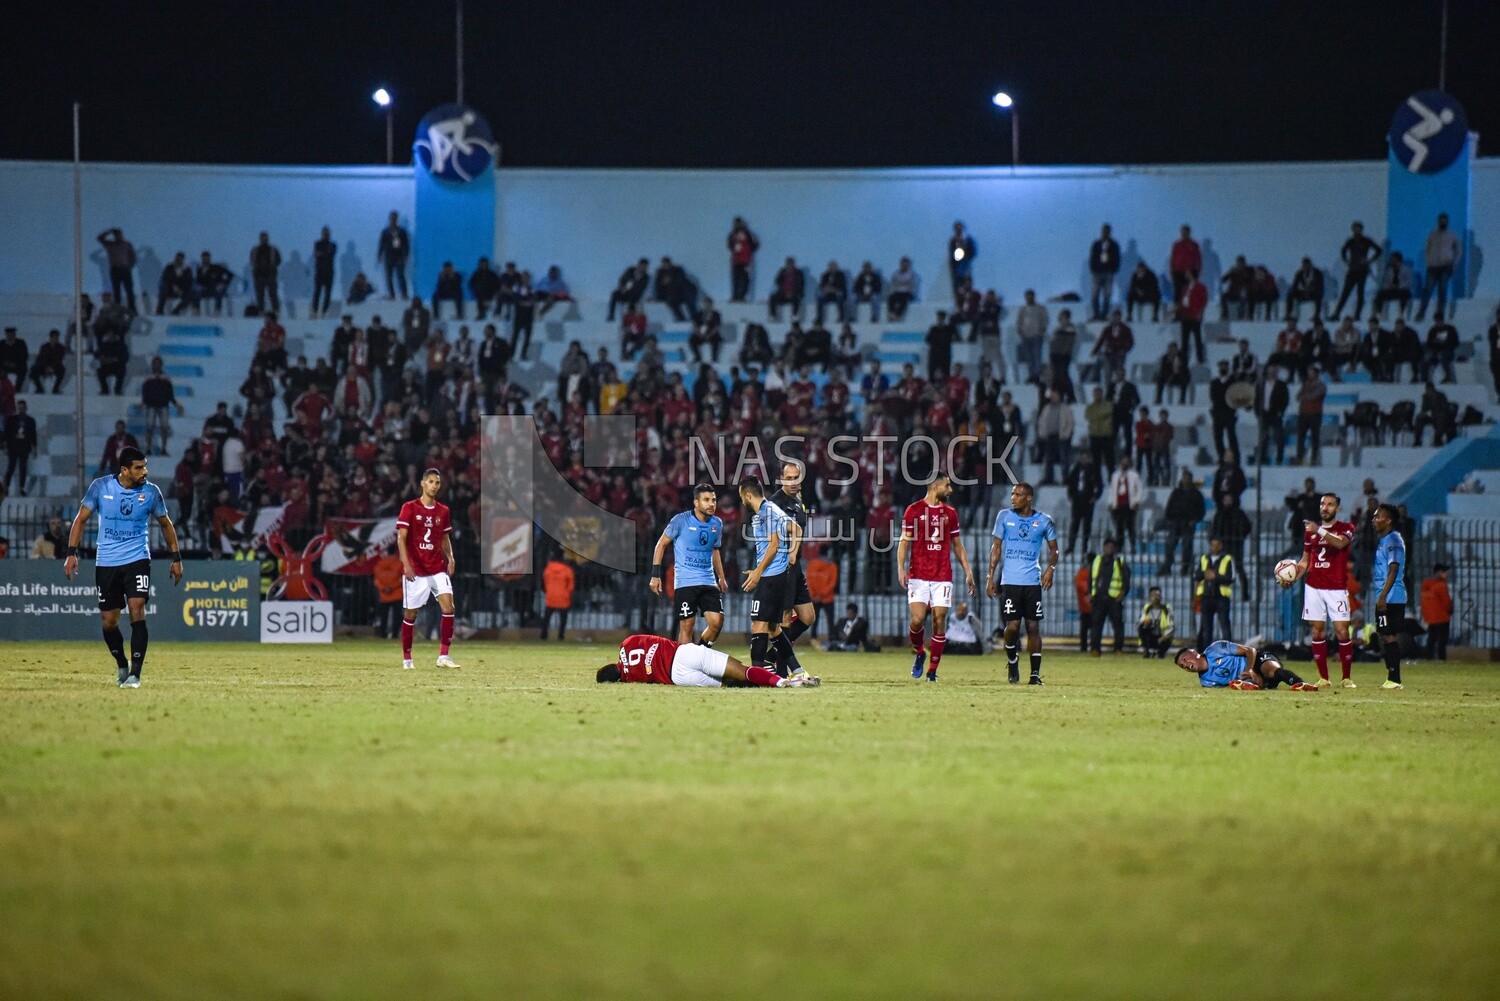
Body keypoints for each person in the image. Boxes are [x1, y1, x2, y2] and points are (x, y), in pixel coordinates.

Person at [63, 447, 184, 687]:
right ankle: (121, 663)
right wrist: (71, 554)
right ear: (124, 470)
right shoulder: (100, 487)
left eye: (145, 466)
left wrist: (176, 557)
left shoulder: (151, 492)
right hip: (107, 561)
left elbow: (166, 524)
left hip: (137, 557)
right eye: (139, 467)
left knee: (137, 607)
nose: (145, 471)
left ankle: (136, 675)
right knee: (109, 621)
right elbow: (80, 519)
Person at [897, 471, 976, 683]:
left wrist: (968, 572)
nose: (950, 490)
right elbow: (904, 542)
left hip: (942, 574)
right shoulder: (913, 510)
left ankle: (932, 671)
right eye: (947, 486)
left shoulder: (950, 513)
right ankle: (920, 651)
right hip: (918, 574)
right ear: (935, 488)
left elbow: (957, 545)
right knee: (917, 619)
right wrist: (900, 568)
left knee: (939, 619)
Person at [987, 482, 1059, 685]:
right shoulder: (1004, 516)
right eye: (1012, 494)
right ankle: (1012, 659)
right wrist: (990, 576)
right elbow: (996, 548)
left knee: (1033, 626)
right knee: (1012, 627)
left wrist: (1050, 570)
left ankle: (1034, 675)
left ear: (1028, 498)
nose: (1013, 497)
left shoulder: (1044, 521)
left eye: (1018, 494)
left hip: (1032, 582)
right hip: (1010, 581)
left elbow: (1054, 549)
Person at [1284, 492, 1357, 687]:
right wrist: (1291, 577)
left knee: (1342, 631)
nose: (1325, 507)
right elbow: (1305, 561)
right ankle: (1324, 678)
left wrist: (1320, 531)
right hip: (1314, 586)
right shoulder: (1310, 532)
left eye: (1330, 504)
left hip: (1336, 587)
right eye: (1323, 504)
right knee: (1317, 631)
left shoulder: (1346, 528)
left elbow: (1340, 543)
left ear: (1337, 508)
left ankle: (1346, 678)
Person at [396, 468, 461, 669]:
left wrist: (450, 557)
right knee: (411, 614)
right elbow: (401, 538)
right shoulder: (409, 508)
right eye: (431, 481)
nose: (434, 485)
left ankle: (443, 656)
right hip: (416, 569)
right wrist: (406, 564)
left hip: (437, 567)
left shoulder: (443, 511)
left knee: (448, 607)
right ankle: (407, 658)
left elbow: (444, 538)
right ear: (423, 483)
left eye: (437, 483)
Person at [650, 483, 727, 647]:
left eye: (713, 500)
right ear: (696, 503)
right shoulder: (680, 520)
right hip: (685, 581)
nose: (711, 504)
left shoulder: (717, 524)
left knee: (717, 621)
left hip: (708, 580)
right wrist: (655, 575)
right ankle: (683, 668)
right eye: (706, 500)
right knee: (687, 626)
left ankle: (700, 651)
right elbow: (661, 545)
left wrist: (721, 577)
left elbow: (715, 550)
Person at [597, 634, 816, 688]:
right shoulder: (627, 642)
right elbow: (654, 638)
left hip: (678, 677)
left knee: (729, 683)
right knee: (740, 669)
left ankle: (780, 683)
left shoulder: (628, 678)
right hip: (684, 653)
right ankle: (781, 681)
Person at [739, 478, 795, 678]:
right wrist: (791, 554)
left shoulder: (767, 512)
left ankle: (756, 674)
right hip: (776, 574)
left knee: (759, 625)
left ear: (747, 495)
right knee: (773, 628)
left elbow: (774, 544)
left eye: (742, 497)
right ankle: (797, 670)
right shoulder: (774, 510)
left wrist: (758, 572)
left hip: (770, 576)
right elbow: (795, 528)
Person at [768, 461, 818, 679]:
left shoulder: (799, 502)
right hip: (782, 565)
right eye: (788, 478)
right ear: (781, 479)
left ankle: (773, 656)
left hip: (795, 566)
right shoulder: (775, 504)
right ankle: (782, 671)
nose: (793, 482)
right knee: (785, 618)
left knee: (807, 617)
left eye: (796, 477)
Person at [1175, 643, 1320, 691]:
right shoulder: (1206, 682)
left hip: (1256, 661)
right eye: (1182, 666)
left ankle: (1300, 684)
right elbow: (1230, 686)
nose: (1186, 666)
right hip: (1250, 679)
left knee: (1272, 671)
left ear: (1194, 653)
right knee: (1244, 683)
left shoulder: (1216, 649)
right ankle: (1254, 685)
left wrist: (1250, 669)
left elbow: (1249, 650)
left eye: (1185, 660)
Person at [1370, 504, 1407, 689]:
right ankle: (1392, 677)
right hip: (1385, 596)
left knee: (1389, 635)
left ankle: (1394, 679)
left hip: (1392, 597)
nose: (1374, 520)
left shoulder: (1393, 540)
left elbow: (1394, 569)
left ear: (1389, 520)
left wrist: (1383, 596)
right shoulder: (1384, 540)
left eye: (1378, 517)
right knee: (1385, 635)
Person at [1088, 537, 1130, 655]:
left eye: (1112, 547)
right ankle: (1095, 649)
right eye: (1108, 547)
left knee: (1117, 625)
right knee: (1096, 624)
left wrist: (1122, 594)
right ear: (1104, 548)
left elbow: (1126, 581)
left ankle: (1118, 649)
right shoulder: (1097, 560)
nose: (1109, 549)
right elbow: (1091, 578)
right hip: (1099, 598)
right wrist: (1090, 593)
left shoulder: (1120, 562)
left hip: (1114, 599)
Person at [1415, 212, 1460, 321]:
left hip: (1445, 266)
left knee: (1442, 290)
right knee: (1427, 290)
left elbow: (1458, 251)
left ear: (1447, 222)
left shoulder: (1452, 235)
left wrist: (1454, 264)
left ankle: (1440, 314)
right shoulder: (1432, 235)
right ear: (1438, 222)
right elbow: (1427, 249)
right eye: (1441, 221)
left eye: (1444, 221)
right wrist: (1429, 261)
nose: (1442, 223)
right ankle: (1421, 313)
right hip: (1433, 267)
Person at [1333, 221, 1381, 321]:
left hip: (1362, 270)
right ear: (1353, 230)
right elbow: (1343, 251)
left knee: (1360, 294)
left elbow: (1378, 250)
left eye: (1358, 229)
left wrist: (1369, 260)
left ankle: (1357, 315)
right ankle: (1336, 314)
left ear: (1361, 230)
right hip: (1352, 270)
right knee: (1345, 293)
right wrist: (1347, 261)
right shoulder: (1350, 241)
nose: (1357, 231)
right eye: (1355, 229)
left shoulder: (1366, 240)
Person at [1194, 537, 1234, 651]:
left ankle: (1228, 651)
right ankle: (1207, 652)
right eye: (1212, 545)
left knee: (1224, 626)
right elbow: (1197, 575)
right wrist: (1204, 574)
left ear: (1221, 546)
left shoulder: (1227, 559)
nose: (1214, 547)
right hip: (1206, 596)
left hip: (1221, 597)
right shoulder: (1204, 558)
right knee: (1206, 628)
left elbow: (1231, 578)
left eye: (1216, 545)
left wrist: (1216, 577)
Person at [1063, 452, 1101, 556]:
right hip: (1077, 500)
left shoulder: (1093, 470)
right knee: (1075, 523)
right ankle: (1071, 546)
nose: (1084, 460)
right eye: (1082, 457)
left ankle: (1085, 547)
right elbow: (1070, 482)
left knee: (1086, 525)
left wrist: (1095, 497)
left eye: (1086, 458)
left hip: (1088, 500)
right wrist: (1071, 495)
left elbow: (1099, 484)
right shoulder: (1076, 469)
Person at [97, 228, 138, 312]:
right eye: (116, 235)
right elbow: (99, 238)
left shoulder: (127, 245)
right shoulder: (110, 244)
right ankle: (117, 308)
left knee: (129, 290)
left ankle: (132, 309)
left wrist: (129, 266)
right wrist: (108, 232)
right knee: (116, 291)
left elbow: (133, 256)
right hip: (115, 269)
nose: (118, 236)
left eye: (119, 234)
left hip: (125, 269)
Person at [1106, 458, 1141, 554]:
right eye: (1123, 462)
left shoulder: (1134, 475)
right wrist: (1110, 503)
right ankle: (1119, 547)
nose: (1124, 464)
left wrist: (1137, 501)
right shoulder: (1115, 475)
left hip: (1130, 504)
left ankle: (1133, 546)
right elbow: (1111, 489)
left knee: (1130, 527)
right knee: (1119, 528)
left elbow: (1139, 489)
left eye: (1126, 462)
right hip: (1118, 505)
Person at [3, 400, 38, 497]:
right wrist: (5, 446)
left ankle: (22, 488)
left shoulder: (30, 420)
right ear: (17, 408)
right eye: (19, 407)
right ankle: (6, 488)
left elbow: (33, 435)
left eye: (23, 407)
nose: (21, 409)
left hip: (24, 447)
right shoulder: (12, 419)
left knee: (23, 468)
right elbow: (7, 433)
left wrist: (34, 447)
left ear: (26, 408)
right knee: (11, 467)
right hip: (13, 446)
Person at [803, 546, 838, 638]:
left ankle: (813, 638)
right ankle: (831, 638)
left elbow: (808, 581)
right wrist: (821, 594)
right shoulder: (832, 566)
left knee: (814, 619)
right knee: (830, 620)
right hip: (827, 598)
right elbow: (832, 584)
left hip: (815, 598)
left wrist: (814, 595)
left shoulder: (811, 564)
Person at [1088, 223, 1120, 320]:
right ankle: (1096, 314)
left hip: (1108, 273)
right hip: (1097, 273)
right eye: (1103, 231)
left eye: (1106, 231)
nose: (1105, 233)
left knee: (1107, 296)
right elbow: (1092, 257)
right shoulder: (1097, 244)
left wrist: (1113, 269)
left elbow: (1117, 258)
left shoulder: (1114, 245)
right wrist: (1093, 269)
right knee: (1094, 295)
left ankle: (1104, 315)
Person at [1420, 562, 1452, 661]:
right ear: (1438, 572)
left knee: (1431, 640)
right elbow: (1447, 602)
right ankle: (1441, 659)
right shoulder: (1441, 586)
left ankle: (1428, 658)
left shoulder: (1426, 586)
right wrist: (1450, 609)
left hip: (1430, 618)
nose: (1446, 574)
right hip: (1442, 617)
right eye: (1444, 572)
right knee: (1442, 641)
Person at [1295, 366, 1326, 465]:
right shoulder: (1305, 385)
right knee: (1301, 437)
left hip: (1315, 414)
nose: (1309, 375)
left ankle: (1314, 458)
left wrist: (1304, 397)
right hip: (1303, 413)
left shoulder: (1321, 385)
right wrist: (1304, 397)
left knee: (1314, 437)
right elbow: (1298, 396)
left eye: (1311, 372)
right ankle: (1299, 457)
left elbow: (1315, 395)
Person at [540, 554, 575, 641]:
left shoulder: (548, 569)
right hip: (563, 597)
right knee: (563, 618)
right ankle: (561, 635)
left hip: (551, 596)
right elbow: (570, 586)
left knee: (546, 617)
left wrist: (548, 591)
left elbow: (544, 582)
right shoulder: (567, 570)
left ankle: (543, 635)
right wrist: (568, 593)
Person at [377, 211, 410, 299]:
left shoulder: (402, 231)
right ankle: (392, 294)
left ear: (397, 219)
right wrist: (379, 255)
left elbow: (406, 244)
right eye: (392, 218)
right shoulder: (385, 231)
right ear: (389, 219)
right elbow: (381, 244)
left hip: (399, 256)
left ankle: (404, 294)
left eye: (395, 218)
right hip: (388, 256)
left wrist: (406, 255)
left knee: (400, 275)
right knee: (389, 277)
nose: (393, 220)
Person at [372, 550, 404, 639]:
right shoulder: (399, 563)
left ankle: (382, 634)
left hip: (384, 595)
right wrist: (392, 587)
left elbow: (376, 580)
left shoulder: (379, 564)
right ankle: (394, 634)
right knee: (397, 616)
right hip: (397, 593)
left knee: (383, 616)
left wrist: (383, 588)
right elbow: (402, 578)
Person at [1177, 270, 1207, 363]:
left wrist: (1200, 312)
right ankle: (1184, 359)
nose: (1186, 275)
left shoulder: (1200, 287)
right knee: (1184, 340)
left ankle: (1200, 358)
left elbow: (1203, 301)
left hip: (1194, 316)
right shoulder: (1185, 287)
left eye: (1188, 274)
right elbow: (1183, 301)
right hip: (1185, 316)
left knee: (1197, 339)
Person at [727, 217, 758, 302]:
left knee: (744, 279)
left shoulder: (748, 234)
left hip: (745, 261)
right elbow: (730, 245)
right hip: (736, 261)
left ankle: (742, 296)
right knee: (736, 279)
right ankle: (735, 296)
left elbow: (755, 245)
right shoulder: (733, 234)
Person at [249, 231, 281, 314]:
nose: (264, 239)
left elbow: (278, 260)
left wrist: (271, 266)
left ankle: (275, 310)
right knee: (260, 295)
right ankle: (260, 311)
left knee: (273, 294)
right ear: (260, 239)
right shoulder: (255, 250)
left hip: (270, 275)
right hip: (259, 275)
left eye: (265, 238)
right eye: (262, 238)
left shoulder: (273, 250)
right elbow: (252, 261)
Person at [1138, 586, 1174, 658]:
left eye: (1158, 595)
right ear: (1150, 597)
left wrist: (1164, 636)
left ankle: (1161, 653)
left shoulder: (1167, 609)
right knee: (1142, 627)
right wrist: (1144, 622)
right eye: (1153, 595)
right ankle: (1146, 651)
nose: (1156, 597)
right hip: (1151, 636)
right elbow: (1141, 620)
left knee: (1167, 638)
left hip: (1163, 637)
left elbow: (1171, 626)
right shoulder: (1147, 608)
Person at [1285, 257, 1324, 322]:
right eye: (1304, 265)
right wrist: (1301, 291)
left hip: (1314, 293)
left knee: (1318, 295)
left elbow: (1320, 286)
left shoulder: (1317, 273)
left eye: (1307, 265)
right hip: (1303, 293)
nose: (1305, 267)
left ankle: (1317, 315)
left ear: (1310, 265)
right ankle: (1289, 314)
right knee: (1290, 294)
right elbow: (1294, 285)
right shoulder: (1299, 273)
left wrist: (1312, 289)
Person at [947, 221, 976, 301]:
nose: (958, 230)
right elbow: (951, 253)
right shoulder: (953, 241)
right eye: (957, 229)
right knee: (957, 286)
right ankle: (958, 302)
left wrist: (965, 256)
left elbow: (972, 252)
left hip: (966, 265)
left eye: (960, 229)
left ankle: (968, 301)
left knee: (967, 284)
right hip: (956, 267)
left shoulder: (968, 239)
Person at [311, 227, 336, 317]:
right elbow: (317, 254)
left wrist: (323, 254)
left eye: (327, 233)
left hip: (329, 272)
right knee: (317, 292)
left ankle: (325, 311)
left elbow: (329, 254)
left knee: (327, 293)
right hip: (319, 271)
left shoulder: (333, 245)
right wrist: (324, 254)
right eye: (325, 233)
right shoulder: (317, 244)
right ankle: (315, 310)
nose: (326, 235)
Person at [1074, 557, 1093, 653]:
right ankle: (1090, 647)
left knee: (1085, 628)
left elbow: (1079, 585)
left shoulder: (1082, 573)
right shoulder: (1087, 573)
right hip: (1090, 606)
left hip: (1085, 606)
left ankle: (1085, 647)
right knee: (1091, 627)